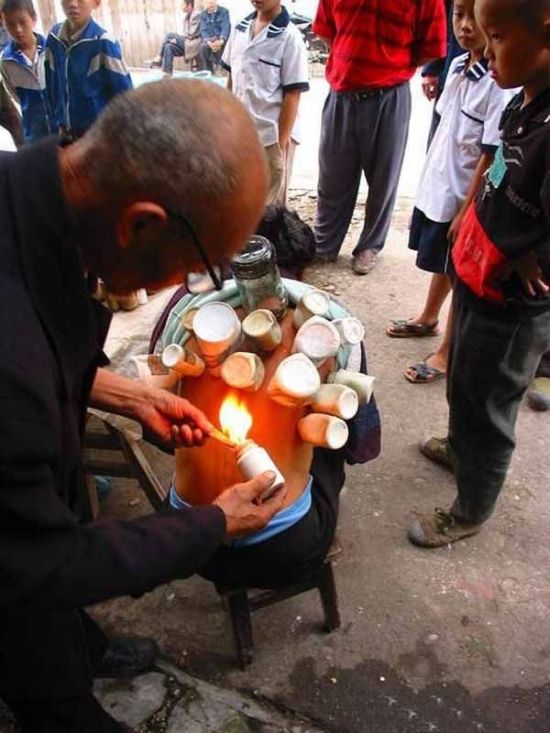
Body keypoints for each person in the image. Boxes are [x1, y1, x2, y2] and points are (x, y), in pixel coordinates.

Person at [0, 79, 286, 732]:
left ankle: (85, 642)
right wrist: (212, 524)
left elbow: (42, 354)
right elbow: (44, 562)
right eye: (201, 266)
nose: (183, 285)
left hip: (29, 496)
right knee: (37, 654)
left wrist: (126, 392)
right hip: (16, 568)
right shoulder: (9, 360)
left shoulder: (31, 195)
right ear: (142, 224)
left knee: (62, 611)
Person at [408, 0, 550, 548]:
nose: (484, 50)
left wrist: (535, 252)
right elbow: (497, 166)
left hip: (514, 307)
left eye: (496, 36)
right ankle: (459, 449)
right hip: (478, 278)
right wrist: (473, 214)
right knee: (464, 380)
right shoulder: (525, 103)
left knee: (488, 404)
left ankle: (471, 507)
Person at [386, 0, 514, 385]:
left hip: (464, 197)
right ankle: (428, 317)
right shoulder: (457, 67)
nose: (464, 25)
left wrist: (467, 211)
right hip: (440, 192)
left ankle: (447, 353)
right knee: (444, 260)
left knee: (461, 273)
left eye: (472, 16)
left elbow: (490, 155)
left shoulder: (498, 84)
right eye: (457, 15)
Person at [312, 0, 447, 275]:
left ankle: (369, 246)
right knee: (332, 177)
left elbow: (430, 48)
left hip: (390, 96)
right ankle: (325, 244)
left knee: (383, 179)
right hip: (341, 94)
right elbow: (325, 30)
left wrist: (389, 62)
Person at [221, 0, 309, 206]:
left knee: (271, 211)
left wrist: (280, 145)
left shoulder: (289, 37)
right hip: (243, 135)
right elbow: (232, 79)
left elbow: (293, 94)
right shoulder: (239, 29)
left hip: (273, 137)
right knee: (243, 203)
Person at [45, 0, 133, 142]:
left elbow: (124, 96)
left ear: (96, 3)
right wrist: (55, 124)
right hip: (64, 135)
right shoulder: (54, 39)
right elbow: (51, 86)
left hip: (94, 138)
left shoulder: (104, 42)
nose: (73, 4)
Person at [0, 0, 53, 144]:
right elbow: (15, 95)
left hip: (60, 128)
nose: (18, 29)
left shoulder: (52, 49)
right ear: (4, 25)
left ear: (34, 18)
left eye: (22, 22)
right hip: (34, 132)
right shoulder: (6, 62)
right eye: (10, 25)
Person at [421, 0, 464, 147]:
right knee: (438, 143)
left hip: (491, 74)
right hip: (452, 69)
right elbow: (440, 14)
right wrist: (432, 68)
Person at [147, 0, 201, 75]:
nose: (181, 7)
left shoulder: (197, 15)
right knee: (168, 46)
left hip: (193, 44)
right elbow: (186, 34)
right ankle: (167, 73)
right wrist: (175, 41)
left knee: (170, 35)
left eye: (183, 4)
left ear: (189, 5)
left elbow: (192, 33)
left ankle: (159, 57)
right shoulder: (186, 17)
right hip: (186, 43)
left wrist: (177, 39)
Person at [199, 0, 230, 73]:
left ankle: (221, 70)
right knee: (203, 47)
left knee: (221, 48)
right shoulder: (203, 15)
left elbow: (225, 28)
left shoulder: (224, 12)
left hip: (221, 40)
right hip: (209, 41)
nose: (210, 2)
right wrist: (209, 43)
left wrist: (221, 41)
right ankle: (208, 71)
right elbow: (203, 31)